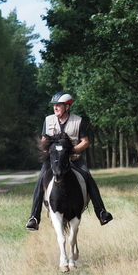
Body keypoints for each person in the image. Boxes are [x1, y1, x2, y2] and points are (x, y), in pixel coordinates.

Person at [26, 91, 113, 230]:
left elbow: (85, 142)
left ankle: (101, 212)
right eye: (54, 106)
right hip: (53, 161)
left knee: (88, 178)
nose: (55, 108)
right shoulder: (48, 120)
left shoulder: (78, 121)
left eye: (58, 105)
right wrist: (52, 152)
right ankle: (34, 217)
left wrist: (71, 151)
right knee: (40, 180)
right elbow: (43, 141)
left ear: (67, 106)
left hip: (74, 159)